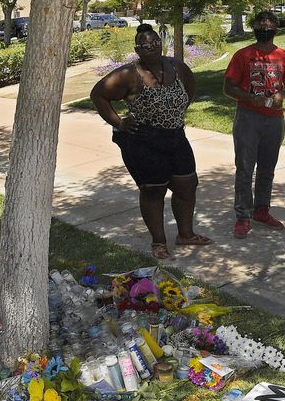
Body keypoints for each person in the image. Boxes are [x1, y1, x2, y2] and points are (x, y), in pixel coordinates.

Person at [90, 23, 211, 260]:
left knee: (187, 184)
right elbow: (98, 94)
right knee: (153, 191)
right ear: (137, 49)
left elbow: (190, 91)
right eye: (145, 46)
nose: (151, 48)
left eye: (155, 43)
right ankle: (159, 242)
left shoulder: (178, 68)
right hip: (144, 141)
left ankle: (185, 234)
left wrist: (175, 113)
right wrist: (119, 122)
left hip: (176, 136)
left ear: (161, 44)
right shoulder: (128, 74)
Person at [224, 11, 285, 239]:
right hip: (248, 117)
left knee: (267, 168)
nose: (264, 28)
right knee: (245, 169)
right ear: (254, 28)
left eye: (269, 24)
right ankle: (242, 217)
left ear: (276, 28)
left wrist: (280, 96)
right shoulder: (243, 55)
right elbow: (228, 87)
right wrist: (249, 97)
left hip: (274, 119)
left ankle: (262, 210)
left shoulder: (284, 56)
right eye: (260, 24)